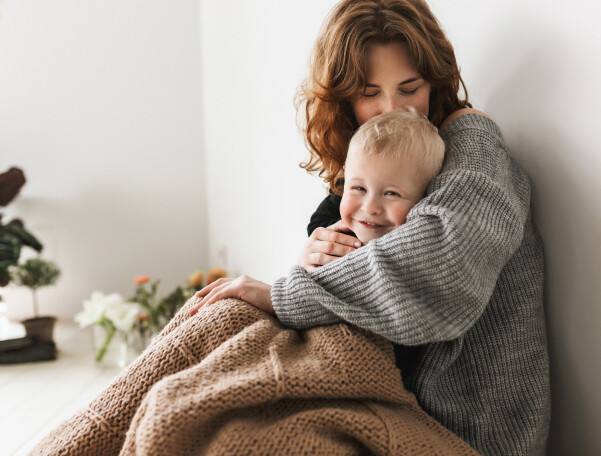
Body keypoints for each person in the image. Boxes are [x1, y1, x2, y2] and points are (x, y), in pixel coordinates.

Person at [191, 1, 551, 454]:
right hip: (393, 407)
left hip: (468, 436)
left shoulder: (472, 148)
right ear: (343, 100)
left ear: (434, 81)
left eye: (409, 88)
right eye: (369, 93)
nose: (390, 109)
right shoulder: (377, 167)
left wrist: (285, 295)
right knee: (211, 358)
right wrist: (312, 262)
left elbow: (442, 266)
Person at [339, 107, 445, 245]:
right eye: (359, 188)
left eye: (391, 193)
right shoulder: (328, 241)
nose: (370, 208)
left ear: (425, 198)